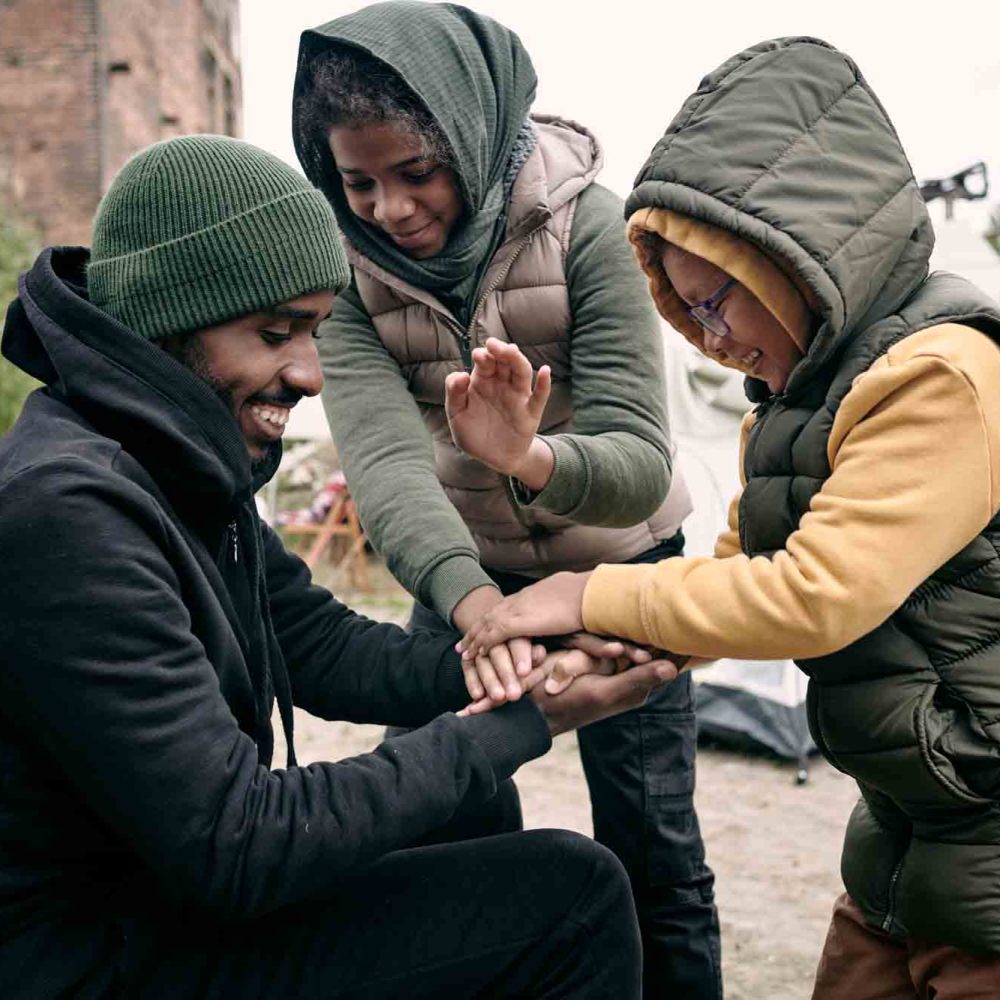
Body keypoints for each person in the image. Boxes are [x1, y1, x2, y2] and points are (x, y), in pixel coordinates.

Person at [0, 133, 680, 1000]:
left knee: (472, 810)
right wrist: (524, 723)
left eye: (316, 332)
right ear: (165, 326)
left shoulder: (172, 466)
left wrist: (524, 655)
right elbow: (236, 843)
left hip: (163, 906)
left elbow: (320, 645)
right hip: (87, 955)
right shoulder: (66, 511)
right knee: (573, 896)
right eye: (275, 333)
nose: (311, 374)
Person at [456, 35, 1000, 1000]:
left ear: (803, 250)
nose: (712, 339)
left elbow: (813, 595)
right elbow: (743, 562)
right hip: (910, 820)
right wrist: (607, 643)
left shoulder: (940, 376)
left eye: (720, 302)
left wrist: (586, 586)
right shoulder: (806, 395)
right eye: (690, 313)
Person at [291, 5, 721, 994]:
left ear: (471, 136)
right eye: (357, 183)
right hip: (468, 570)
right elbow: (388, 459)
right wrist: (477, 608)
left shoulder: (588, 224)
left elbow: (638, 462)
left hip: (622, 565)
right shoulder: (346, 274)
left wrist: (527, 457)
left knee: (652, 843)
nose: (389, 210)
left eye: (413, 173)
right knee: (440, 811)